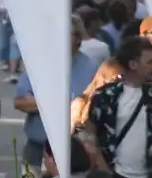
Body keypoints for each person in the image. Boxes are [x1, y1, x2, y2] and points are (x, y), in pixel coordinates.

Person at [86, 36, 152, 178]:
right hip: (114, 175)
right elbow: (89, 133)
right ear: (133, 64)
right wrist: (104, 172)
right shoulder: (106, 95)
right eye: (150, 61)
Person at [15, 15, 99, 170]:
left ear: (78, 39)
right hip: (38, 148)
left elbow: (94, 108)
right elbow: (20, 101)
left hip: (74, 152)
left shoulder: (91, 67)